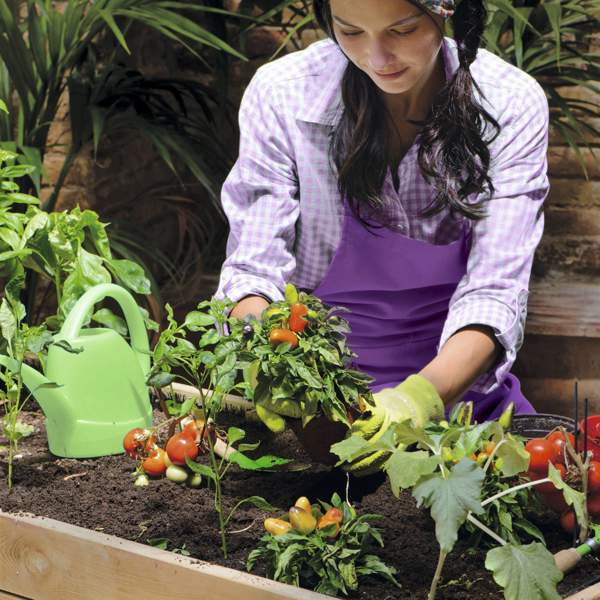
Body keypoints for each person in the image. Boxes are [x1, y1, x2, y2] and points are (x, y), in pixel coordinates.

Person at [214, 0, 549, 467]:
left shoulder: (508, 103)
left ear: (446, 9)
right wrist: (275, 366)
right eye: (350, 33)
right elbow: (253, 270)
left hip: (459, 407)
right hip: (316, 413)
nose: (377, 58)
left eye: (403, 30)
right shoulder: (283, 96)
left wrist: (415, 403)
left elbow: (495, 290)